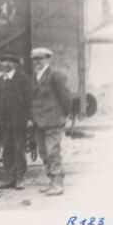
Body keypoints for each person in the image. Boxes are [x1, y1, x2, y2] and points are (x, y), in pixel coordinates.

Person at [30, 47, 72, 196]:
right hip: (39, 122)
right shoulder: (35, 76)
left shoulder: (55, 75)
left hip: (53, 121)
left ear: (48, 59)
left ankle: (58, 184)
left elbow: (65, 96)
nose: (38, 62)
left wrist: (65, 115)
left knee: (53, 152)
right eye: (35, 59)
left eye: (41, 59)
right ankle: (51, 181)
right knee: (44, 153)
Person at [0, 52, 32, 190]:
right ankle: (10, 178)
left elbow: (30, 100)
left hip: (19, 121)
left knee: (19, 149)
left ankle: (20, 178)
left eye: (10, 61)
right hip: (4, 123)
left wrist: (31, 118)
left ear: (15, 64)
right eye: (3, 61)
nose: (6, 64)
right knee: (6, 150)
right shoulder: (0, 81)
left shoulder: (23, 79)